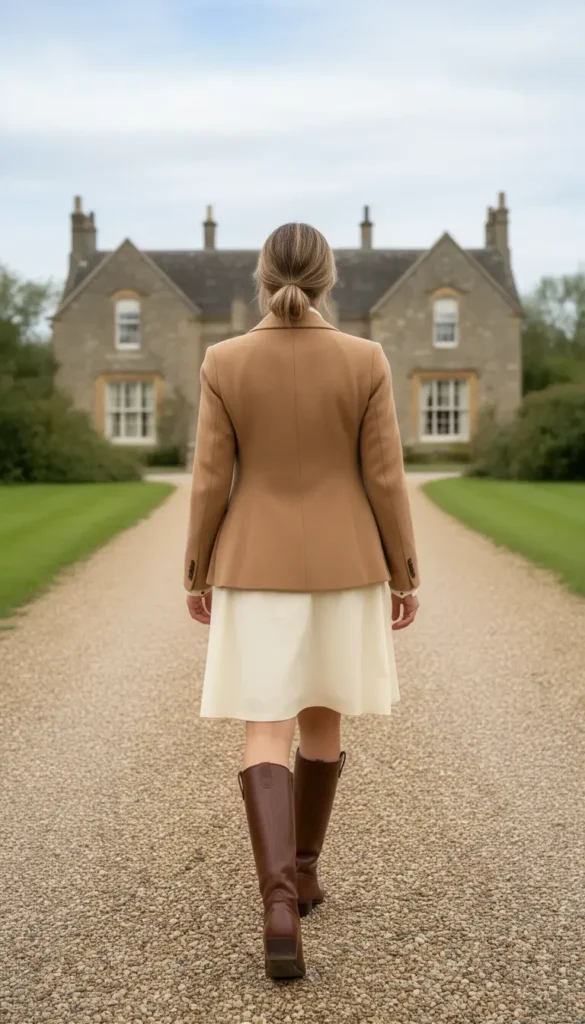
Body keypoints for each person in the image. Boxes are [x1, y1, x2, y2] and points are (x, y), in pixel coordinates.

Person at [183, 223, 420, 980]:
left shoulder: (223, 360)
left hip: (254, 562)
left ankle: (279, 904)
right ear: (328, 279)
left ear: (261, 277)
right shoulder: (366, 359)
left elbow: (209, 479)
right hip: (348, 563)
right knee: (323, 715)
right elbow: (385, 477)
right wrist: (404, 573)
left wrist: (197, 572)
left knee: (265, 724)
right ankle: (306, 871)